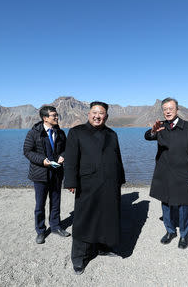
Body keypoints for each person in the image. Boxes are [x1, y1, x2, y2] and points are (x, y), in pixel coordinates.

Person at [64, 101, 125, 275]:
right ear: (88, 114)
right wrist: (70, 182)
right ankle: (79, 258)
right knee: (84, 220)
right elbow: (70, 159)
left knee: (106, 217)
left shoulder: (112, 134)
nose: (97, 116)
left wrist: (120, 178)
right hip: (87, 184)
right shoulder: (76, 132)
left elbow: (117, 157)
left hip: (110, 184)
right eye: (94, 112)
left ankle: (102, 247)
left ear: (106, 116)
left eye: (101, 113)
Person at [145, 97, 188, 249]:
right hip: (164, 172)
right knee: (166, 203)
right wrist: (152, 131)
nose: (168, 111)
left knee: (184, 205)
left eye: (171, 108)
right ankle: (170, 231)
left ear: (177, 109)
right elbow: (148, 137)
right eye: (165, 109)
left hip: (183, 171)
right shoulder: (160, 126)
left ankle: (184, 234)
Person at [23, 105, 71, 244]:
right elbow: (27, 151)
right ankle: (40, 231)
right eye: (53, 115)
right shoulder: (34, 133)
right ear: (45, 118)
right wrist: (42, 161)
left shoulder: (60, 133)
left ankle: (55, 226)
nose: (56, 117)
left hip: (56, 173)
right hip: (40, 174)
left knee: (55, 202)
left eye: (57, 115)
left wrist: (63, 156)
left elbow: (66, 149)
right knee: (40, 204)